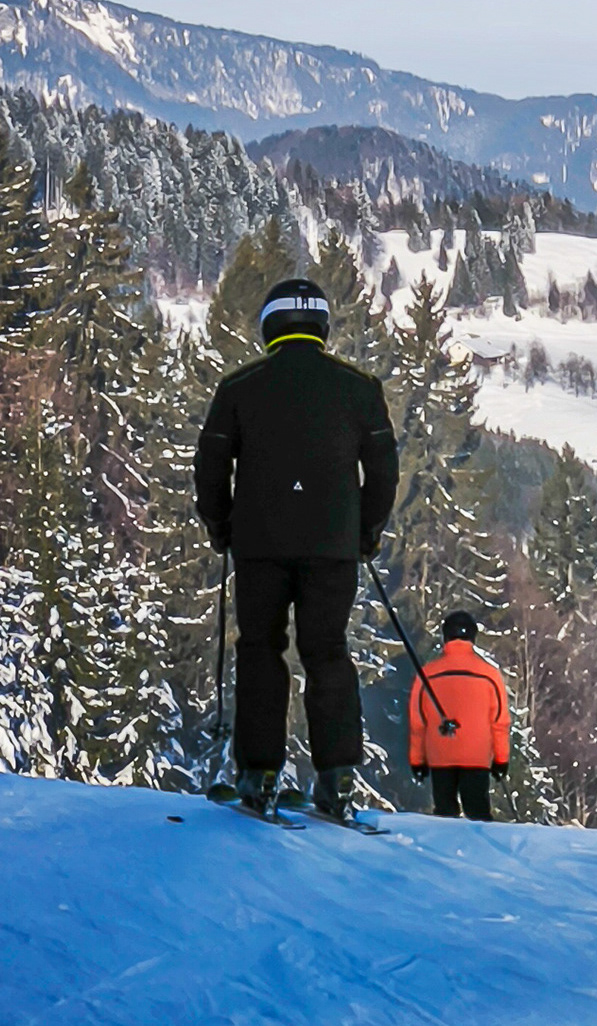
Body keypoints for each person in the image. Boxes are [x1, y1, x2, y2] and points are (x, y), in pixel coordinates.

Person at [195, 278, 398, 820]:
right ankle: (337, 778)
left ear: (270, 326)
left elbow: (210, 467)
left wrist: (220, 526)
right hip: (333, 548)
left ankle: (258, 775)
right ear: (322, 326)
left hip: (258, 544)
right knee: (327, 651)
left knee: (260, 650)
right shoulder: (360, 388)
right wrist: (365, 532)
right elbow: (383, 473)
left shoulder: (239, 388)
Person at [409, 611, 511, 821]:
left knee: (445, 816)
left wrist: (417, 760)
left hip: (440, 755)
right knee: (478, 816)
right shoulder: (490, 675)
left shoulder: (427, 674)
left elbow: (418, 722)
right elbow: (500, 722)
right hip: (476, 757)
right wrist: (501, 759)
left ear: (445, 636)